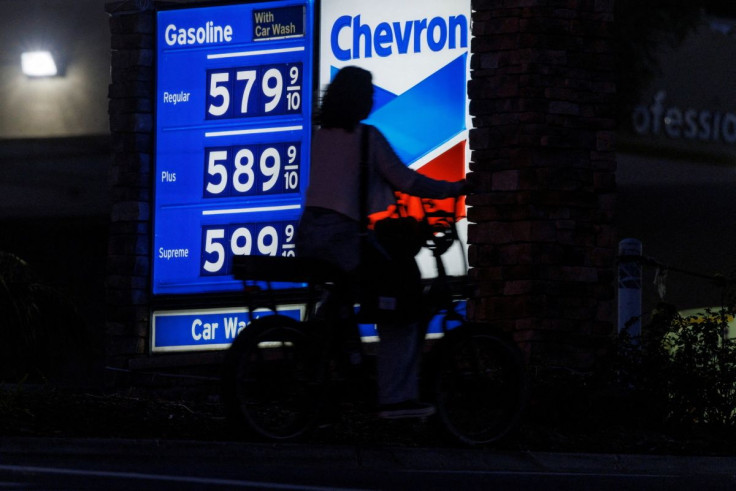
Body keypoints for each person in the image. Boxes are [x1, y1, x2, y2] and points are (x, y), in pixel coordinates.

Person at [295, 66, 468, 419]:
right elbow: (405, 180)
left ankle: (348, 357)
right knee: (404, 299)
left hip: (311, 237)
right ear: (358, 99)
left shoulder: (319, 136)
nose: (374, 98)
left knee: (367, 290)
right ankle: (395, 397)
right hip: (343, 238)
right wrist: (455, 188)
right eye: (369, 92)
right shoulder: (367, 138)